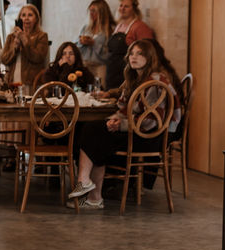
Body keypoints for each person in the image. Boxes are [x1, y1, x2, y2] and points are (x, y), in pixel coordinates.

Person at [67, 39, 181, 210]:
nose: (134, 57)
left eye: (140, 53)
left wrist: (120, 125)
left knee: (96, 133)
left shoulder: (156, 82)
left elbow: (150, 122)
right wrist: (114, 120)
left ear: (149, 57)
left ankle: (89, 189)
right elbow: (122, 108)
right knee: (93, 130)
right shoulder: (134, 78)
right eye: (132, 53)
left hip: (152, 136)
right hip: (136, 130)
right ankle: (89, 190)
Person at [104, 0, 155, 90]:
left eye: (126, 6)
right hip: (112, 73)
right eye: (121, 5)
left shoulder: (140, 27)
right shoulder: (119, 25)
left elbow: (149, 50)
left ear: (134, 9)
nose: (122, 9)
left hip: (127, 73)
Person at [1, 3, 49, 89]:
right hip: (12, 82)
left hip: (32, 83)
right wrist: (14, 48)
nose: (26, 18)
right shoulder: (11, 37)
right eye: (23, 15)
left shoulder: (42, 36)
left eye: (30, 15)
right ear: (19, 18)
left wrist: (25, 41)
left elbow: (38, 57)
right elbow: (4, 60)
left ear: (36, 19)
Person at [77, 0, 113, 83]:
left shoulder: (109, 31)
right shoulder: (86, 28)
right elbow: (77, 47)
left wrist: (94, 43)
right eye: (90, 11)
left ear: (102, 13)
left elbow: (109, 53)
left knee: (99, 88)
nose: (91, 14)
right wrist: (81, 42)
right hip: (85, 64)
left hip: (100, 66)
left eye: (94, 11)